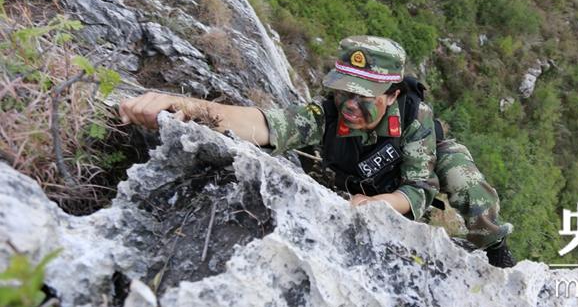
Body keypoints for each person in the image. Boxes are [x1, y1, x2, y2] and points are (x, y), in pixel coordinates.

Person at [119, 36, 516, 267]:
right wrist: (189, 109)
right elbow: (265, 124)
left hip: (424, 161)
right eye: (342, 94)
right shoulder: (325, 115)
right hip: (361, 176)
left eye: (364, 98)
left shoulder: (415, 118)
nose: (350, 107)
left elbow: (419, 189)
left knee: (469, 189)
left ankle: (496, 248)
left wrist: (378, 203)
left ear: (393, 94)